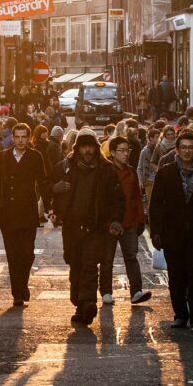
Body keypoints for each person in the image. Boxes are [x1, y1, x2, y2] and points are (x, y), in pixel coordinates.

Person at [51, 128, 125, 325]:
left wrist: (116, 220)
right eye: (83, 146)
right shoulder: (66, 167)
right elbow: (49, 187)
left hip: (96, 227)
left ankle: (89, 302)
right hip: (72, 226)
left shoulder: (107, 170)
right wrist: (54, 191)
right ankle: (79, 303)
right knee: (75, 264)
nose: (87, 151)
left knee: (90, 265)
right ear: (77, 148)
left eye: (90, 146)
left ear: (96, 147)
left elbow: (117, 199)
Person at [149, 130, 193, 329]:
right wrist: (156, 231)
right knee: (177, 275)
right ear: (177, 150)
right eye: (183, 148)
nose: (187, 151)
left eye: (190, 148)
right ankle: (180, 314)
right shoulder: (166, 172)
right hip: (173, 233)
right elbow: (156, 204)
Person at [0, 123, 51, 306]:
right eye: (16, 136)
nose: (19, 140)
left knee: (27, 253)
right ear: (12, 138)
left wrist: (49, 208)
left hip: (27, 211)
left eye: (23, 137)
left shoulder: (35, 156)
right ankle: (18, 292)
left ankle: (22, 284)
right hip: (8, 213)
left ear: (29, 138)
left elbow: (42, 182)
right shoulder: (3, 157)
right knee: (12, 254)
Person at [104, 135, 152, 306]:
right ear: (112, 152)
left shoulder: (131, 172)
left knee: (131, 257)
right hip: (109, 223)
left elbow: (137, 198)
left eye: (127, 150)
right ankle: (106, 292)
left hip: (130, 221)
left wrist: (141, 219)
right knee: (107, 259)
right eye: (122, 151)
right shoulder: (105, 171)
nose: (126, 154)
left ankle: (136, 291)